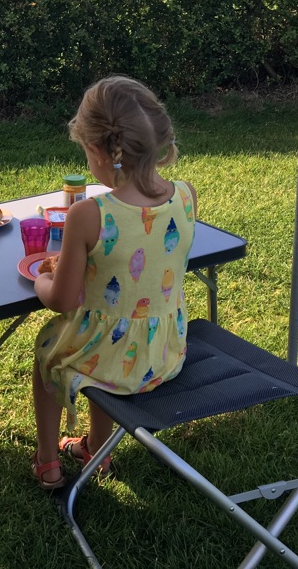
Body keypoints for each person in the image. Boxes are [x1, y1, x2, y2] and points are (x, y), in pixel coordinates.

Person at [31, 75, 197, 490]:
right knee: (105, 343)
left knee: (49, 354)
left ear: (98, 152)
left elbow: (63, 300)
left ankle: (48, 462)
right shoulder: (186, 195)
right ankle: (96, 449)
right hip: (164, 352)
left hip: (112, 358)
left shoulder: (89, 214)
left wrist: (42, 279)